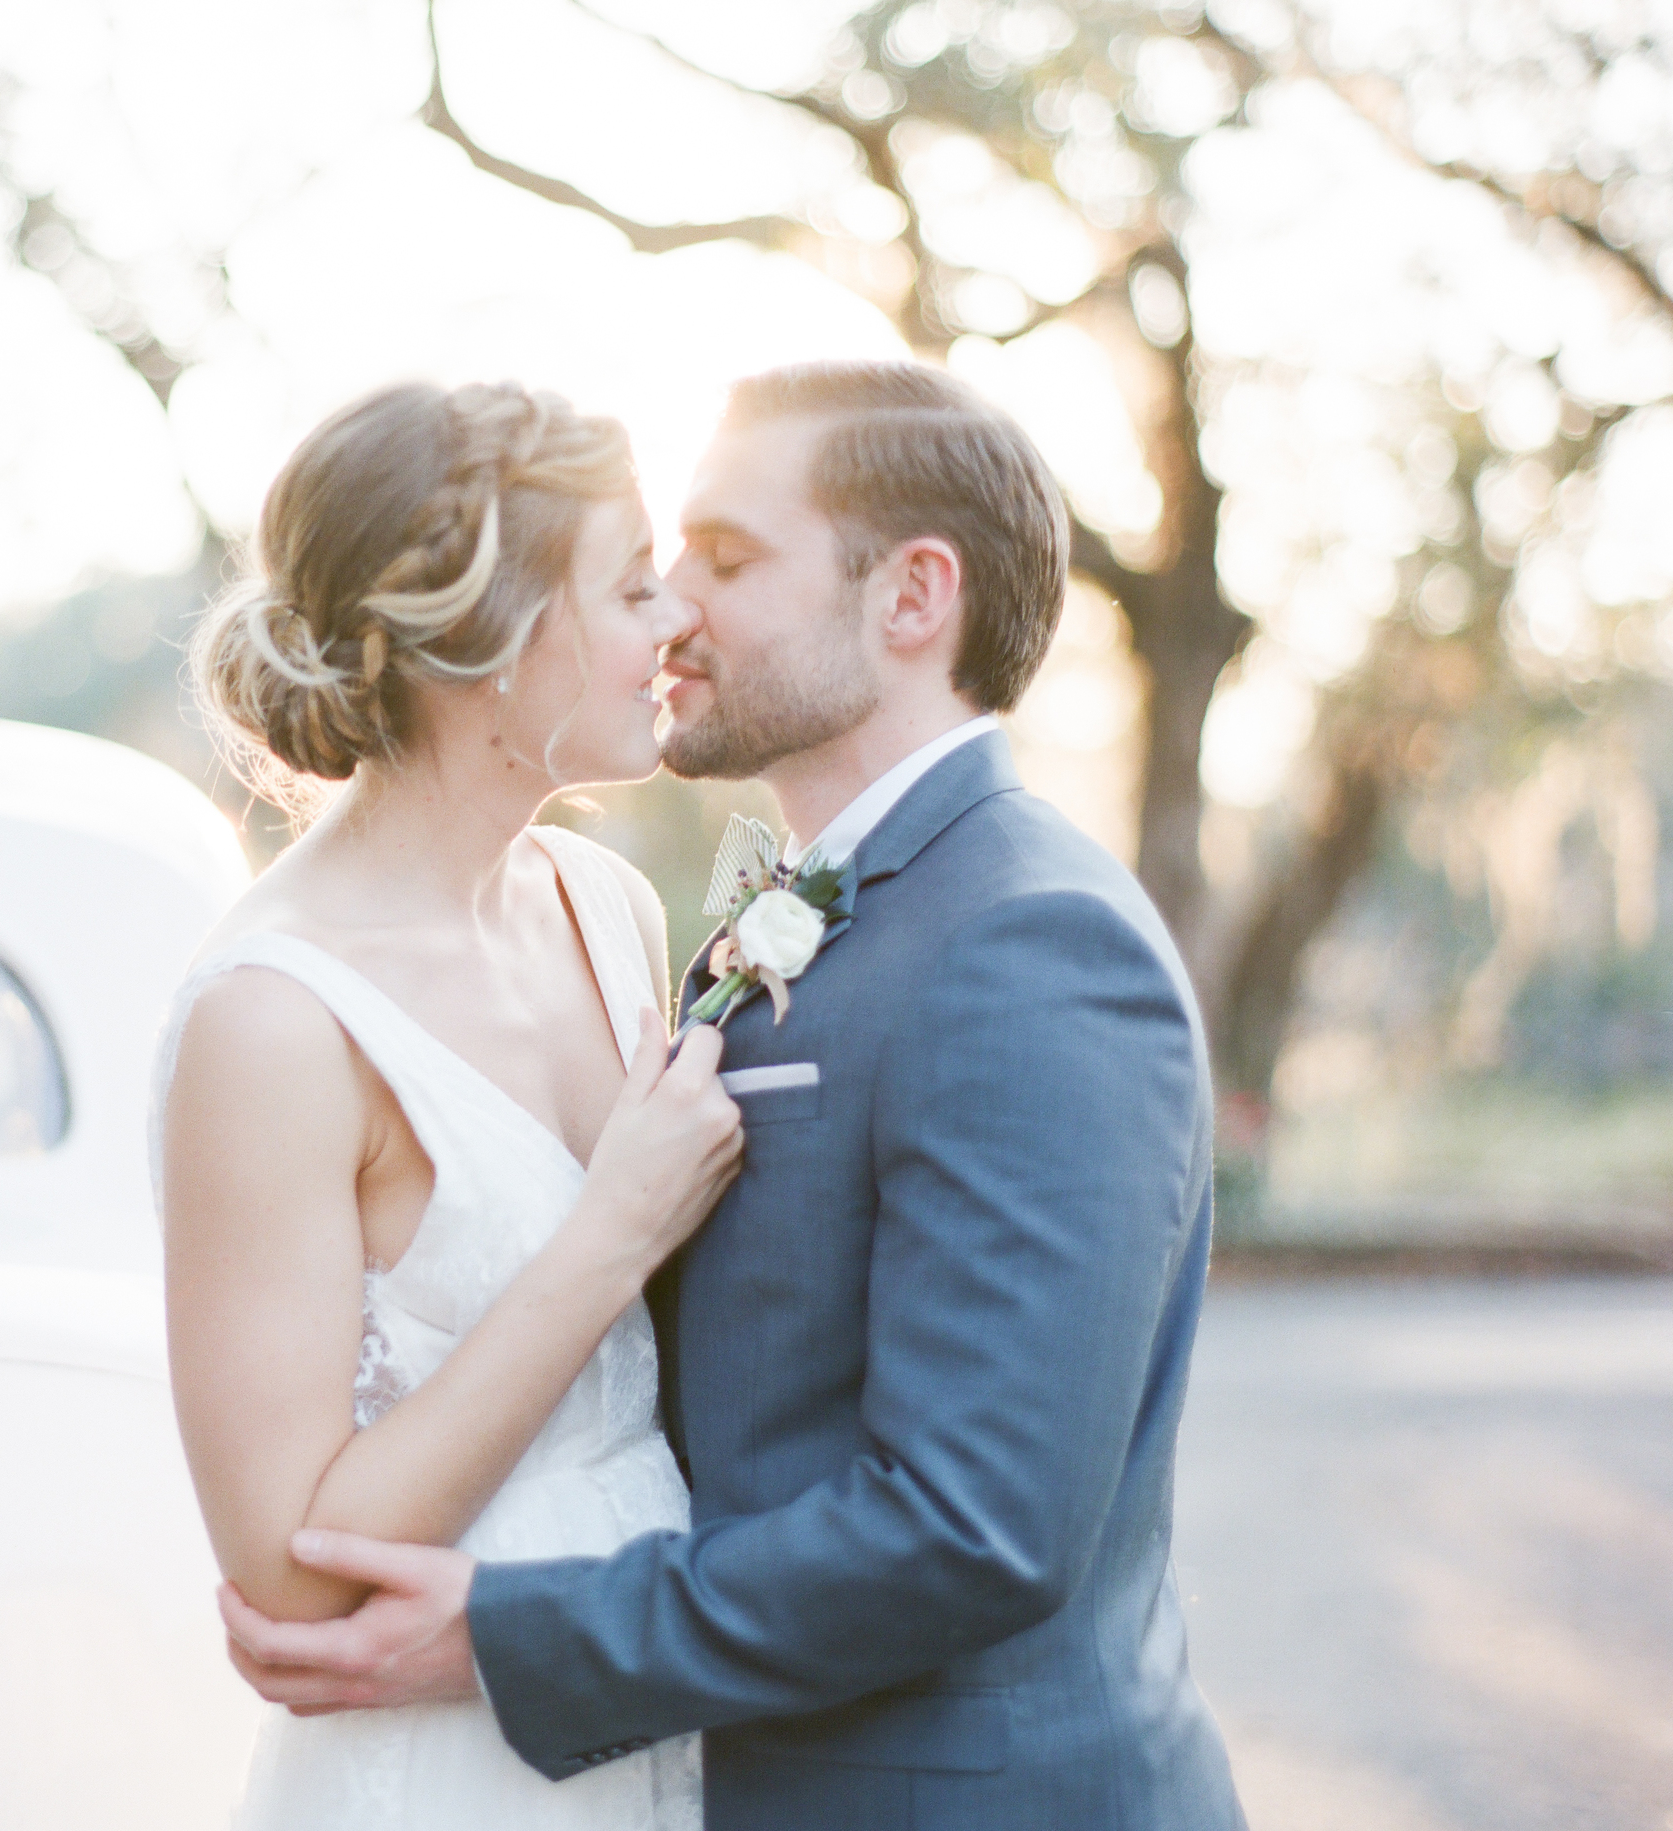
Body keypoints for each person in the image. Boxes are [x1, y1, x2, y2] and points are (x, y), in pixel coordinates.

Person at [216, 361, 1250, 1831]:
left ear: (911, 598)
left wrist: (512, 1638)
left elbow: (977, 1528)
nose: (675, 605)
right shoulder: (764, 919)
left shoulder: (1031, 941)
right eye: (658, 565)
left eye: (727, 555)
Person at [152, 379, 744, 1829]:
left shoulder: (605, 906)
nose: (675, 616)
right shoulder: (273, 1023)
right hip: (444, 1767)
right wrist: (612, 1231)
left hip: (643, 1696)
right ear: (489, 645)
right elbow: (290, 1569)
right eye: (627, 584)